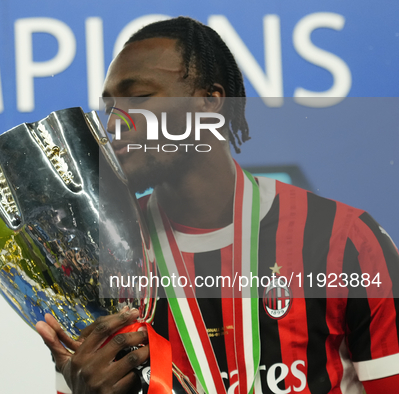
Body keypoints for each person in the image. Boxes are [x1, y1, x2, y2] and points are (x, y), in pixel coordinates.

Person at [36, 16, 399, 394]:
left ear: (210, 101)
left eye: (139, 97)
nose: (114, 124)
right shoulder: (103, 262)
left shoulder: (344, 240)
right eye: (108, 108)